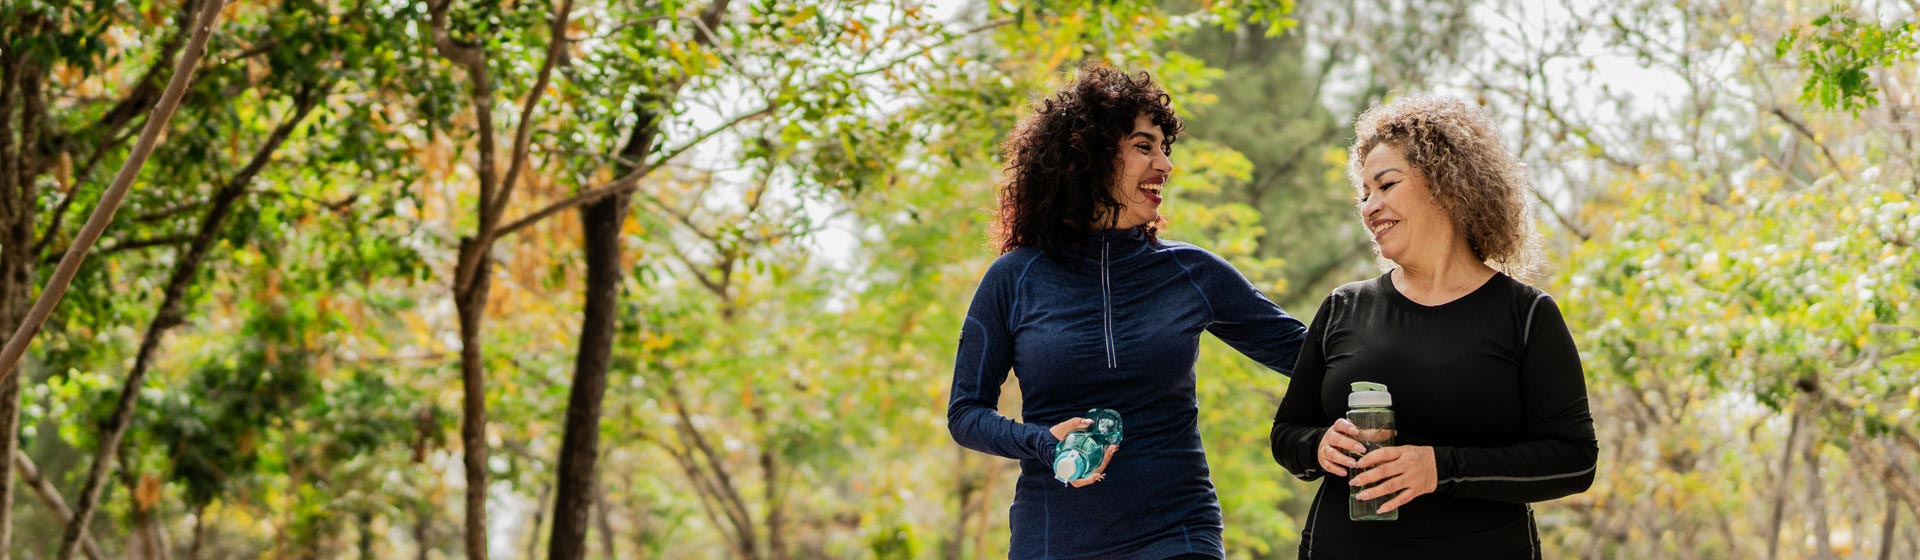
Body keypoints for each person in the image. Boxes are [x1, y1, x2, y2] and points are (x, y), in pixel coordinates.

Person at [947, 63, 1309, 560]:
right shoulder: (1015, 278)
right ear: (1087, 157)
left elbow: (1313, 356)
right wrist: (1041, 443)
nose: (1164, 165)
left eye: (1165, 149)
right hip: (1053, 539)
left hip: (1177, 532)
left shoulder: (1191, 272)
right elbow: (966, 414)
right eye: (1144, 147)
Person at [1268, 94, 1598, 559]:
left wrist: (1440, 469)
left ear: (1447, 183)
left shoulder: (1526, 315)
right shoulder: (1344, 306)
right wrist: (1317, 445)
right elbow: (1288, 431)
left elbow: (1573, 461)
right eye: (1364, 194)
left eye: (1385, 185)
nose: (1369, 207)